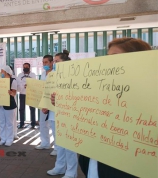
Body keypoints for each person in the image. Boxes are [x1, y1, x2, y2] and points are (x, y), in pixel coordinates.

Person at [51, 38, 150, 178]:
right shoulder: (102, 87)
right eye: (107, 57)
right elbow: (85, 109)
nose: (108, 63)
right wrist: (64, 103)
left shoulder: (148, 96)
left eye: (115, 58)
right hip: (95, 163)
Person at [47, 50, 78, 178]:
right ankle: (59, 167)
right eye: (54, 61)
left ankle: (71, 172)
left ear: (65, 63)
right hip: (54, 114)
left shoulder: (73, 76)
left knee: (69, 145)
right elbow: (47, 92)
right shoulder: (52, 75)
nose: (54, 64)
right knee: (59, 144)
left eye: (57, 61)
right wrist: (46, 105)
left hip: (68, 114)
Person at [35, 55, 55, 154]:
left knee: (53, 124)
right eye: (43, 62)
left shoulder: (55, 73)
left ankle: (57, 148)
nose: (44, 64)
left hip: (53, 102)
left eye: (46, 62)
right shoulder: (43, 74)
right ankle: (45, 143)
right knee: (42, 123)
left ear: (52, 63)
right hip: (43, 102)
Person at [0, 65, 17, 147]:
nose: (1, 73)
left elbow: (14, 93)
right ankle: (3, 139)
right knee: (2, 123)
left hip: (9, 105)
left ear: (7, 72)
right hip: (0, 105)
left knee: (9, 123)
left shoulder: (13, 81)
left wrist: (10, 93)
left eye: (2, 71)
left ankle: (9, 139)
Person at [17, 63, 37, 129]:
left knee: (32, 109)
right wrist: (23, 86)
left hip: (30, 94)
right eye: (24, 67)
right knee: (21, 109)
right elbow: (19, 84)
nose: (25, 68)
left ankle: (33, 123)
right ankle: (21, 123)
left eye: (27, 67)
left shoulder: (33, 75)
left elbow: (35, 84)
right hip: (22, 94)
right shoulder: (20, 75)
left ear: (29, 67)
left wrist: (29, 86)